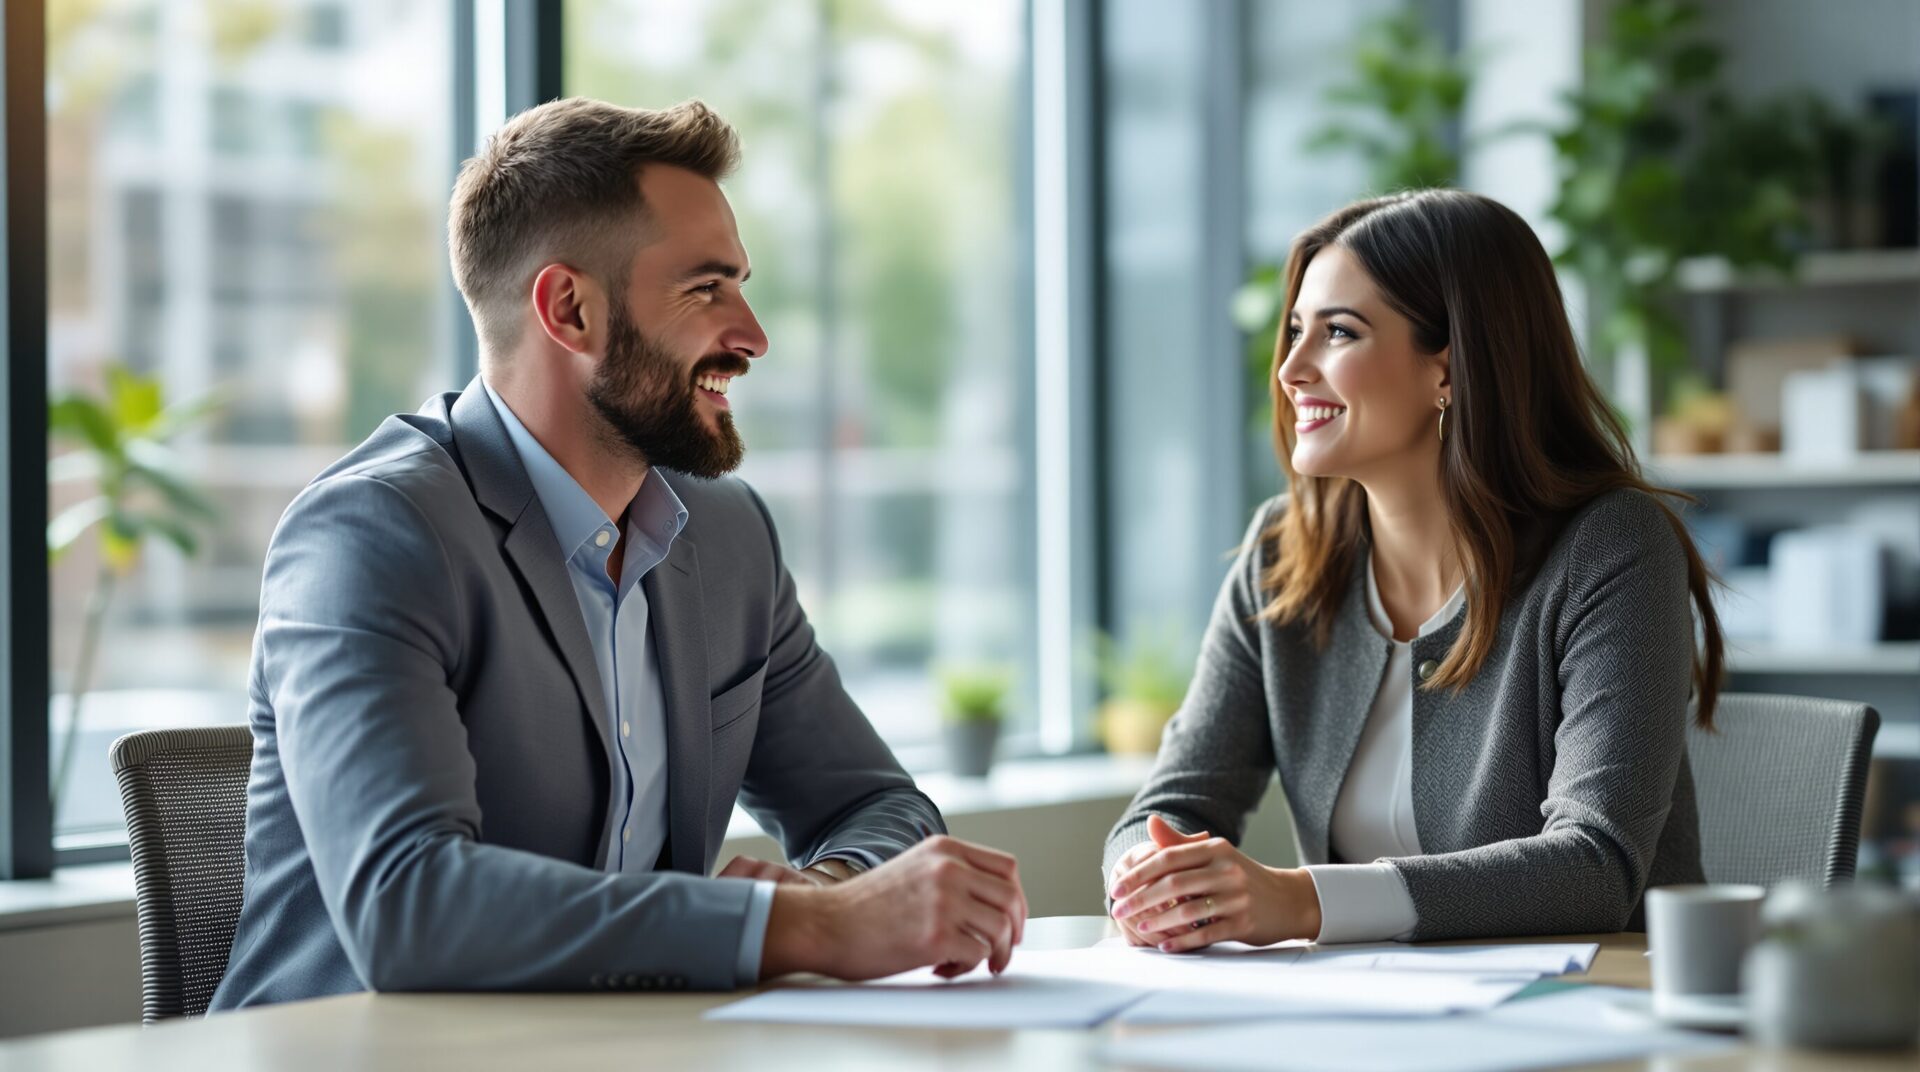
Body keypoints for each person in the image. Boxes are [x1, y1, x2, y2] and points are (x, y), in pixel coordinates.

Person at [211, 98, 1025, 1009]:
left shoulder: (727, 536)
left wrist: (835, 891)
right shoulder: (371, 535)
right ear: (569, 308)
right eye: (705, 289)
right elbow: (411, 907)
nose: (752, 335)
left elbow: (880, 809)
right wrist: (803, 931)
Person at [1102, 189, 1725, 951]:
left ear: (1452, 369)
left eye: (1338, 332)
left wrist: (1302, 903)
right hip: (1368, 1024)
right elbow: (1175, 801)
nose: (1292, 369)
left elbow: (1594, 866)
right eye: (1295, 331)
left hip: (1591, 1014)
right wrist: (1147, 871)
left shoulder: (1610, 548)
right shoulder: (1283, 554)